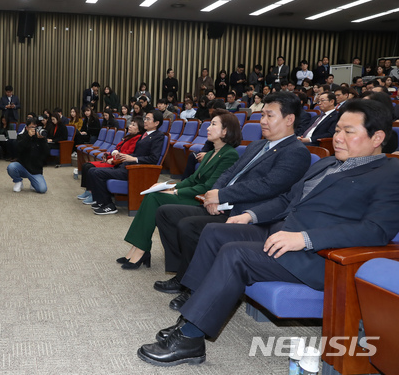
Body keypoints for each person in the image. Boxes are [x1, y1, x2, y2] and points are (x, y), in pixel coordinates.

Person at [137, 99, 399, 368]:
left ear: (377, 137)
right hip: (281, 234)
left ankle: (190, 338)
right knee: (215, 232)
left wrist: (305, 239)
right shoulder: (327, 163)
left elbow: (376, 230)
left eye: (348, 131)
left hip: (319, 256)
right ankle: (190, 316)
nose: (338, 137)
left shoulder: (389, 173)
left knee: (235, 253)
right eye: (338, 130)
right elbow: (287, 199)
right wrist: (251, 215)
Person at [153, 92, 311, 305]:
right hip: (225, 203)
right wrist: (214, 195)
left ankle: (194, 288)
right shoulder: (257, 145)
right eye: (262, 115)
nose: (262, 121)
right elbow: (229, 172)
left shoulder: (296, 152)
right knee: (166, 214)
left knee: (188, 226)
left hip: (248, 213)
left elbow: (269, 186)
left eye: (269, 115)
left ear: (289, 119)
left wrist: (222, 195)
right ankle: (183, 274)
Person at [117, 113, 242, 269]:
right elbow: (192, 179)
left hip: (201, 199)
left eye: (213, 124)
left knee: (154, 198)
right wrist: (169, 186)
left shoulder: (230, 154)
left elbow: (208, 187)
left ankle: (141, 249)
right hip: (192, 193)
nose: (208, 128)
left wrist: (175, 193)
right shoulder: (210, 153)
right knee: (152, 194)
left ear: (225, 131)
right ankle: (137, 247)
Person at [87, 110, 165, 215]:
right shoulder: (145, 134)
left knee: (97, 173)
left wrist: (133, 159)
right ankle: (101, 201)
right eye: (145, 118)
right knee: (92, 170)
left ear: (156, 123)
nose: (145, 121)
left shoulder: (158, 136)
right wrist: (123, 156)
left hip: (137, 171)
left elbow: (154, 158)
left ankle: (109, 205)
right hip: (128, 166)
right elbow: (137, 153)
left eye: (148, 119)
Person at [77, 116, 145, 205]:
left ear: (139, 129)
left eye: (133, 125)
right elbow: (116, 148)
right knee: (86, 165)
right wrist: (109, 154)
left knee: (89, 167)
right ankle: (88, 190)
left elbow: (127, 153)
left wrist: (113, 158)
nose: (130, 126)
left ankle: (93, 193)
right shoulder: (128, 137)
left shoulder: (136, 139)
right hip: (113, 158)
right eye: (130, 124)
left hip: (117, 162)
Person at [7, 117, 49, 193]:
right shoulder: (21, 136)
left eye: (36, 127)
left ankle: (33, 182)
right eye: (32, 127)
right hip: (23, 166)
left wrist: (42, 140)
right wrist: (28, 137)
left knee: (42, 189)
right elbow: (18, 149)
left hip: (35, 170)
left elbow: (46, 152)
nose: (34, 129)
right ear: (26, 128)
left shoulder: (40, 137)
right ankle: (18, 181)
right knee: (11, 167)